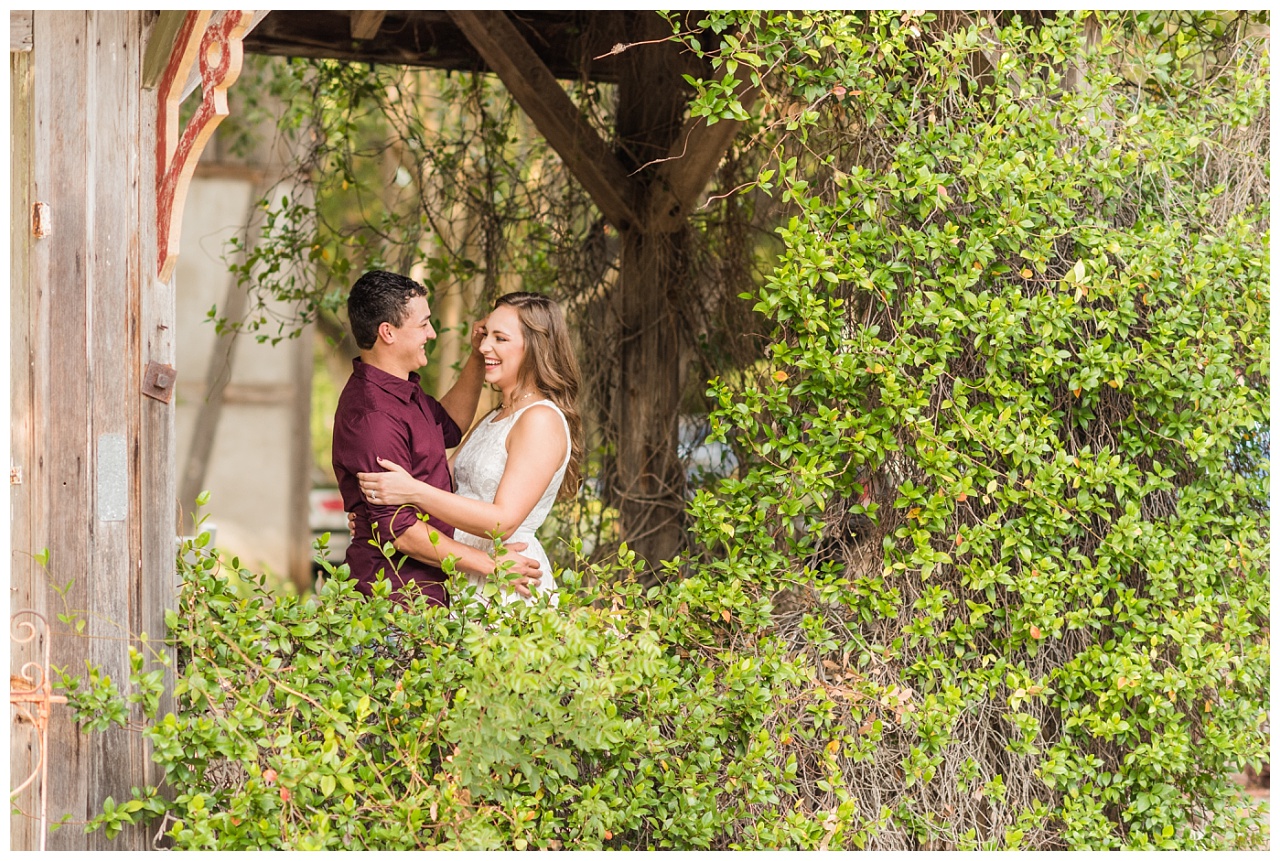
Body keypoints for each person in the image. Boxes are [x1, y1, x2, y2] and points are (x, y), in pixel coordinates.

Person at [355, 291, 583, 606]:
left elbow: (503, 521)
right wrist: (371, 517)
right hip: (465, 572)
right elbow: (443, 482)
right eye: (485, 334)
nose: (485, 346)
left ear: (535, 347)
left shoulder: (540, 420)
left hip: (508, 578)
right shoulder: (495, 417)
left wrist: (411, 491)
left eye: (500, 338)